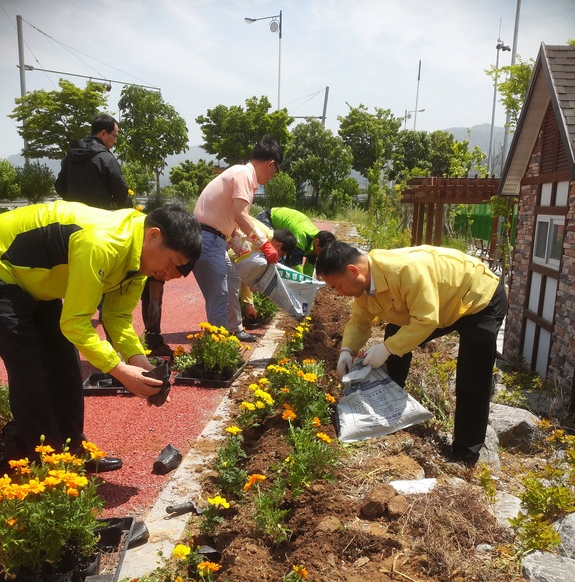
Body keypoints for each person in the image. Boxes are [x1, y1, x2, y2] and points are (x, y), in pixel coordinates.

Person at [0, 201, 202, 471]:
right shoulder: (102, 243)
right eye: (172, 264)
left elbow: (116, 316)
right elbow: (75, 323)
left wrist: (141, 364)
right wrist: (119, 370)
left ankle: (74, 451)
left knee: (64, 362)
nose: (169, 275)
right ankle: (48, 467)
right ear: (153, 235)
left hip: (35, 279)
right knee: (29, 367)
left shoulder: (141, 261)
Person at [315, 241, 508, 465]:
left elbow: (426, 320)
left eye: (337, 286)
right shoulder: (365, 287)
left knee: (472, 376)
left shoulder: (406, 270)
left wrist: (387, 349)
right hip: (442, 304)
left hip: (478, 298)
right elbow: (360, 321)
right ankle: (388, 406)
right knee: (395, 332)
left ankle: (465, 455)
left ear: (353, 271)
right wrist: (347, 350)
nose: (338, 294)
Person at [193, 135, 283, 343]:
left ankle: (234, 329)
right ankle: (220, 343)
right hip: (208, 239)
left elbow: (232, 225)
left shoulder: (241, 175)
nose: (273, 177)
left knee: (232, 279)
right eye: (276, 171)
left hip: (215, 238)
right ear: (271, 165)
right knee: (219, 293)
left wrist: (247, 254)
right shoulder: (244, 174)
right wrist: (265, 244)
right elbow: (240, 216)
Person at [54, 113, 132, 210]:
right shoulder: (106, 159)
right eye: (115, 136)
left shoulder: (69, 157)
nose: (115, 141)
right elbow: (121, 195)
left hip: (72, 219)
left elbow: (60, 187)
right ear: (103, 134)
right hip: (97, 220)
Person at [256, 207, 334, 275]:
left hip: (284, 228)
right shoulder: (303, 235)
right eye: (319, 251)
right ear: (316, 242)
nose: (318, 254)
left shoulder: (318, 242)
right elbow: (295, 263)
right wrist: (300, 283)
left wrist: (308, 282)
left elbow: (310, 265)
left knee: (285, 260)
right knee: (279, 256)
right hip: (267, 218)